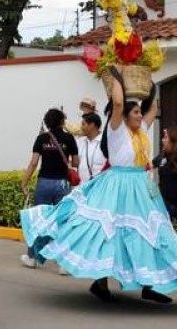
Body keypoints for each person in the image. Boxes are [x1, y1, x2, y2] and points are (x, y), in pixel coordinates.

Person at [21, 70, 177, 303]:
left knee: (149, 235)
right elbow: (117, 102)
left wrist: (149, 79)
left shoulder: (141, 130)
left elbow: (152, 107)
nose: (139, 115)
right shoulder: (117, 131)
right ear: (124, 116)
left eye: (138, 112)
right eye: (135, 112)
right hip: (116, 186)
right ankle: (100, 283)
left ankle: (149, 284)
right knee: (107, 233)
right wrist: (117, 75)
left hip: (141, 188)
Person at [19, 108, 78, 270]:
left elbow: (33, 163)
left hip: (44, 183)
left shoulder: (41, 139)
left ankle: (32, 258)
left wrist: (24, 183)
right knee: (63, 222)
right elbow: (76, 163)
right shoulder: (69, 138)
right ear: (62, 121)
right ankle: (63, 265)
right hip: (63, 185)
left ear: (47, 122)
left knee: (39, 221)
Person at [154, 126, 177, 223]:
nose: (162, 140)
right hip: (163, 206)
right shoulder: (163, 156)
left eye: (165, 137)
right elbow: (149, 166)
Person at [76, 111, 107, 184]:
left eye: (83, 124)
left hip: (100, 186)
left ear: (92, 125)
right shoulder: (79, 141)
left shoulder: (105, 141)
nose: (81, 127)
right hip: (82, 187)